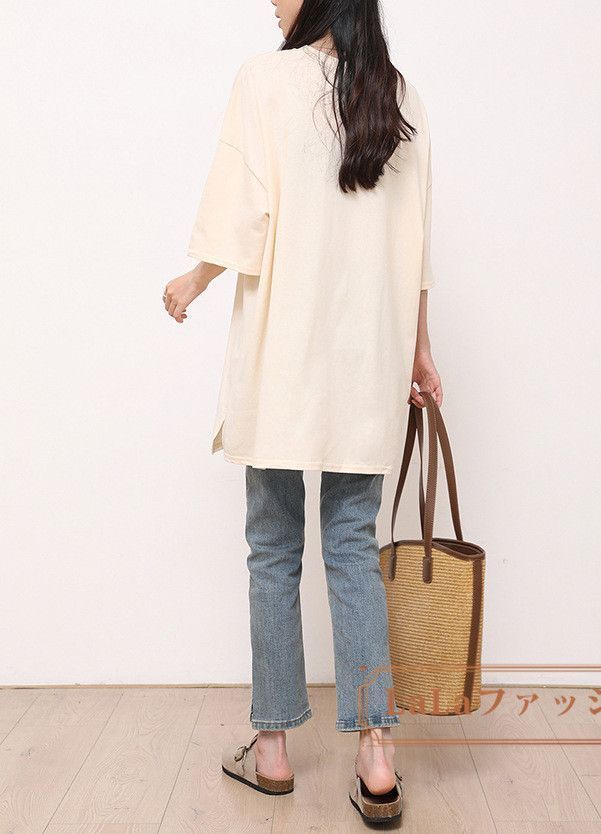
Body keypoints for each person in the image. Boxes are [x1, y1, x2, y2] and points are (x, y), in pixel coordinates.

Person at [162, 0, 441, 822]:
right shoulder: (397, 93)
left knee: (274, 546)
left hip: (284, 359)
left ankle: (274, 749)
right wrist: (420, 353)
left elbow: (241, 214)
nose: (270, 2)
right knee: (353, 547)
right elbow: (417, 243)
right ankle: (377, 757)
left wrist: (193, 279)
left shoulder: (265, 81)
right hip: (366, 362)